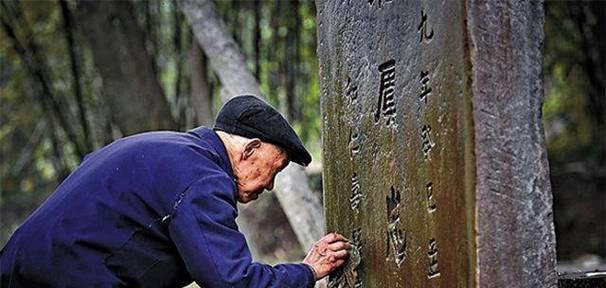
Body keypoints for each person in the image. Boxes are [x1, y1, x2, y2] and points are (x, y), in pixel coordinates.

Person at [0, 95, 350, 287]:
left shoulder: (172, 150)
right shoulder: (202, 177)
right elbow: (231, 282)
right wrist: (306, 271)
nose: (269, 186)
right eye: (272, 170)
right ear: (250, 149)